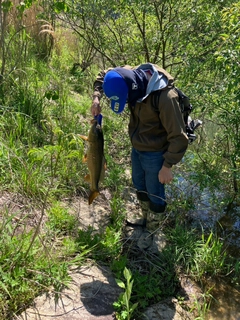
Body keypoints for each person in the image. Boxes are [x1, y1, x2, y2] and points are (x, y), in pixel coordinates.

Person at [91, 63, 189, 252]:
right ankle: (145, 220)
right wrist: (97, 98)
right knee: (139, 183)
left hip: (156, 153)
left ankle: (153, 233)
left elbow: (179, 137)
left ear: (133, 89)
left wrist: (167, 165)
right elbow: (104, 75)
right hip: (137, 147)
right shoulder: (127, 74)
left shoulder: (165, 97)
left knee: (155, 192)